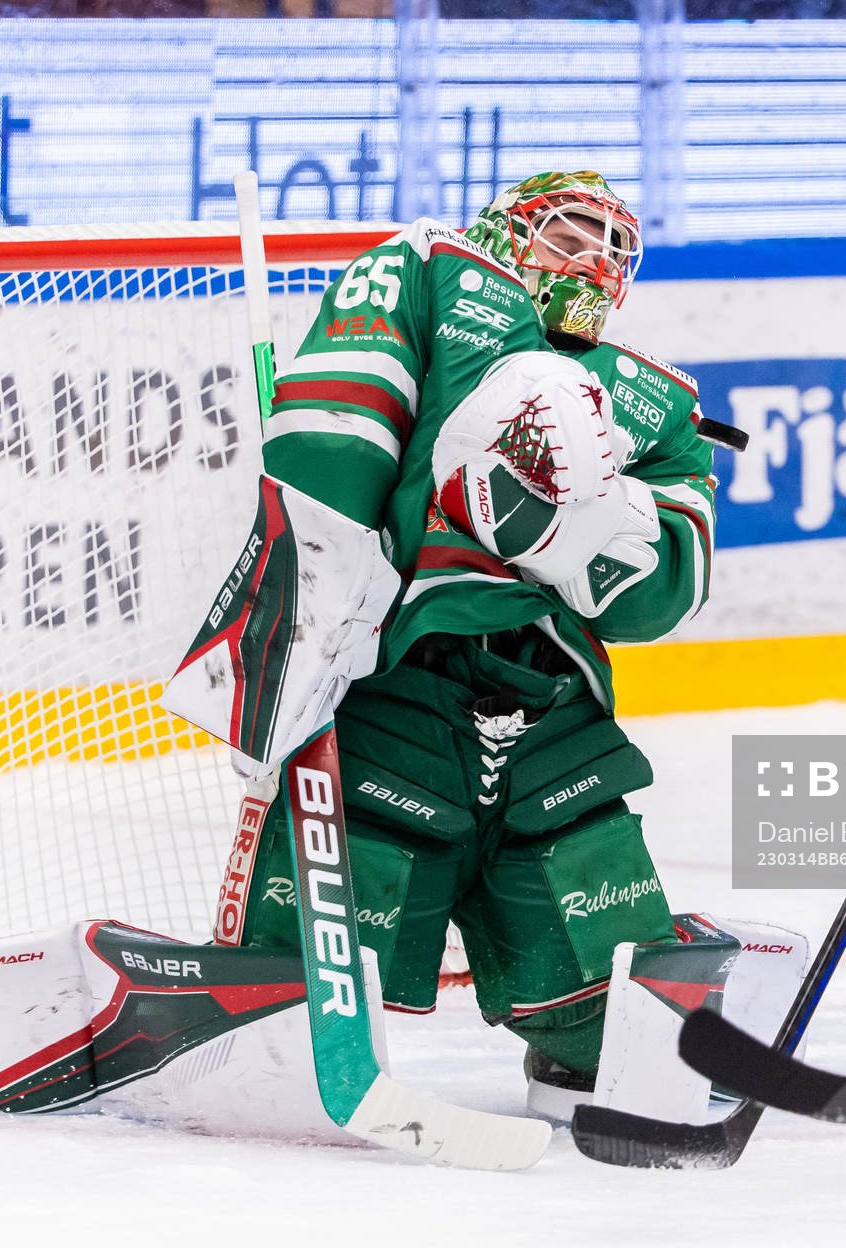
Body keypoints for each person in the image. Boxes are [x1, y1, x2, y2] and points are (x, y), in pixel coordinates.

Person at [218, 169, 725, 1099]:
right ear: (509, 228)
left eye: (617, 251)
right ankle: (262, 1030)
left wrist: (590, 517)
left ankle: (596, 1042)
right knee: (312, 965)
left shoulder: (653, 401)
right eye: (573, 235)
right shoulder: (436, 271)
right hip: (395, 677)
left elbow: (665, 595)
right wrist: (319, 581)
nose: (597, 264)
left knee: (597, 984)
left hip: (552, 705)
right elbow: (330, 433)